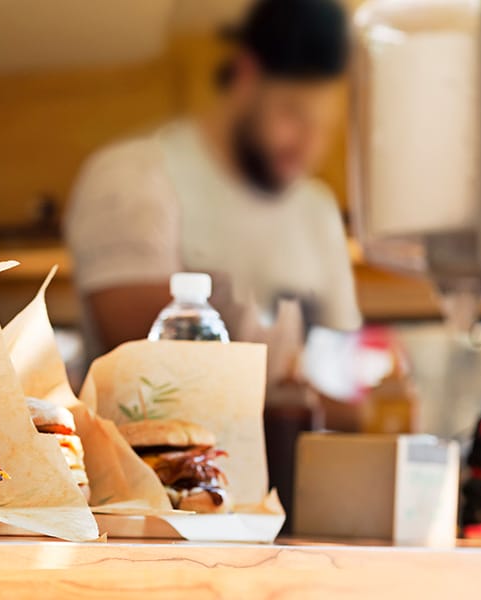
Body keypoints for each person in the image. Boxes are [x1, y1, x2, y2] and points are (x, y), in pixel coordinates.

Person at [65, 0, 361, 381]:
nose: (308, 145)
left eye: (324, 126)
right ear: (245, 74)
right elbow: (153, 373)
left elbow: (340, 372)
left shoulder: (317, 210)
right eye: (294, 113)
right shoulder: (134, 177)